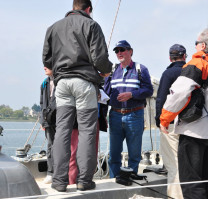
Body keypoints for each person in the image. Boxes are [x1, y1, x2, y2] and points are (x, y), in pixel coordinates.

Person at [42, 0, 112, 192]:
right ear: (89, 9)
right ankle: (84, 181)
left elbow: (46, 60)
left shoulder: (53, 28)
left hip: (62, 84)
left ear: (73, 7)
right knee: (87, 131)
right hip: (84, 83)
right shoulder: (91, 25)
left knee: (62, 131)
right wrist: (107, 71)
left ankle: (59, 181)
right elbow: (99, 58)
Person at [160, 28, 208, 199]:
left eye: (196, 44)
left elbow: (179, 93)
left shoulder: (198, 64)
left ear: (203, 46)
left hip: (194, 130)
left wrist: (164, 119)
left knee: (191, 181)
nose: (194, 48)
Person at [104, 40, 153, 178]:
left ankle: (131, 181)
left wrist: (131, 95)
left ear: (130, 51)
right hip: (115, 115)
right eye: (117, 51)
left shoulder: (140, 69)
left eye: (122, 50)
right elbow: (105, 93)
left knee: (134, 154)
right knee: (113, 154)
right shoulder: (112, 71)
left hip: (135, 115)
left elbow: (149, 90)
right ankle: (114, 182)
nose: (119, 53)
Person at [155, 44, 187, 199]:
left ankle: (176, 196)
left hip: (171, 123)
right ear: (185, 56)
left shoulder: (168, 74)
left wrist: (158, 121)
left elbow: (161, 98)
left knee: (174, 164)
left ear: (170, 58)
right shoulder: (191, 71)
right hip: (192, 124)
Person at [40, 66, 56, 184]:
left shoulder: (62, 81)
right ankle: (50, 172)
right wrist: (42, 120)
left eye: (47, 65)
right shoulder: (44, 84)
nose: (44, 67)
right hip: (48, 120)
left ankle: (61, 172)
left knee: (63, 146)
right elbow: (42, 103)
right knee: (50, 147)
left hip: (61, 119)